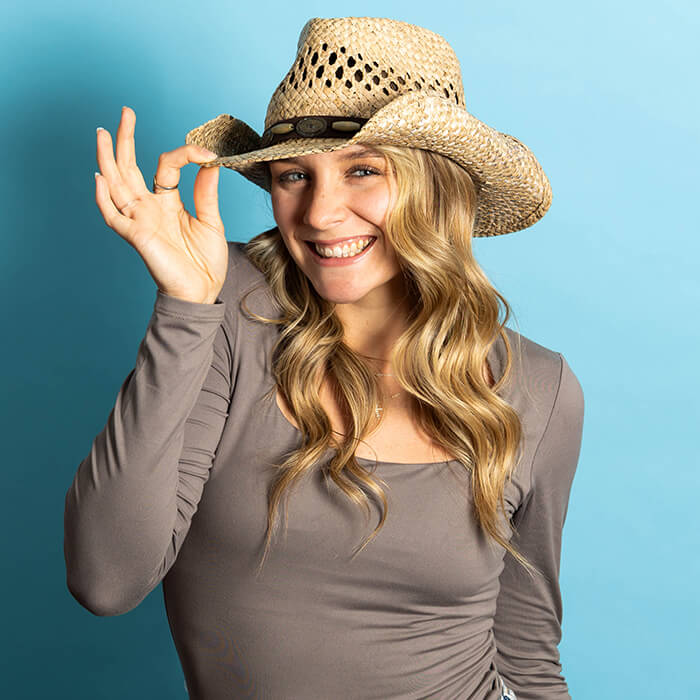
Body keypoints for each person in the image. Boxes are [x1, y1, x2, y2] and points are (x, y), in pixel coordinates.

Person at [64, 16, 584, 700]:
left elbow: (527, 655)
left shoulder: (538, 388)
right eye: (292, 176)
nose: (319, 213)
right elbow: (105, 581)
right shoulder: (230, 309)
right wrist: (186, 308)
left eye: (363, 171)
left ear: (436, 188)